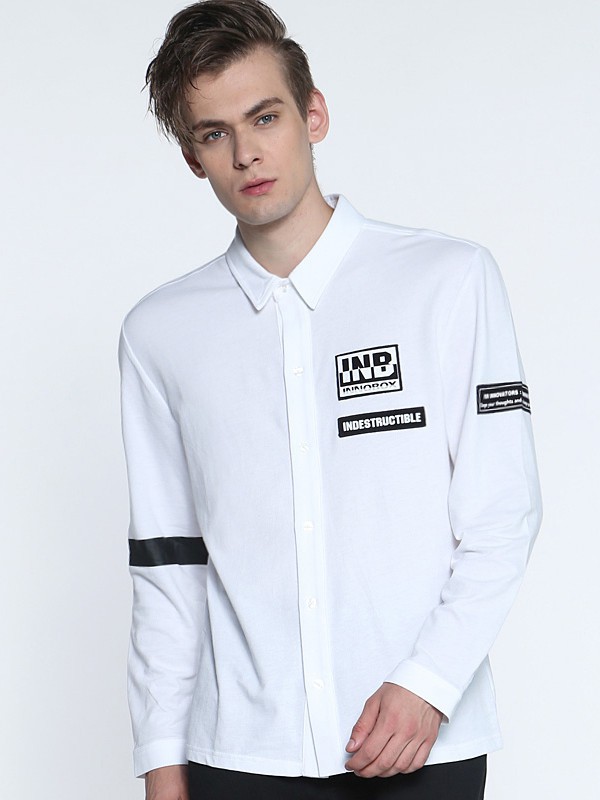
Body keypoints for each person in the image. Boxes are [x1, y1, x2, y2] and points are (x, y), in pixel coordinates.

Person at [119, 2, 542, 798]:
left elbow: (502, 513)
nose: (246, 153)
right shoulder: (159, 333)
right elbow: (168, 566)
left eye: (265, 116)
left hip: (423, 744)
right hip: (240, 757)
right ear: (192, 158)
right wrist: (162, 762)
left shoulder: (448, 281)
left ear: (313, 114)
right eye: (214, 133)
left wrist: (429, 682)